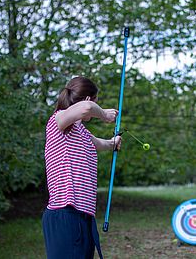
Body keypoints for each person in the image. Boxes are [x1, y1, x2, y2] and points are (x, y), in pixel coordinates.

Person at [42, 76, 122, 259]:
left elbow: (99, 144)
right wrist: (104, 114)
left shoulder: (80, 131)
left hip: (83, 215)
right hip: (65, 214)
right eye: (95, 102)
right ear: (88, 99)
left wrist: (113, 143)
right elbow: (87, 109)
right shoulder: (58, 119)